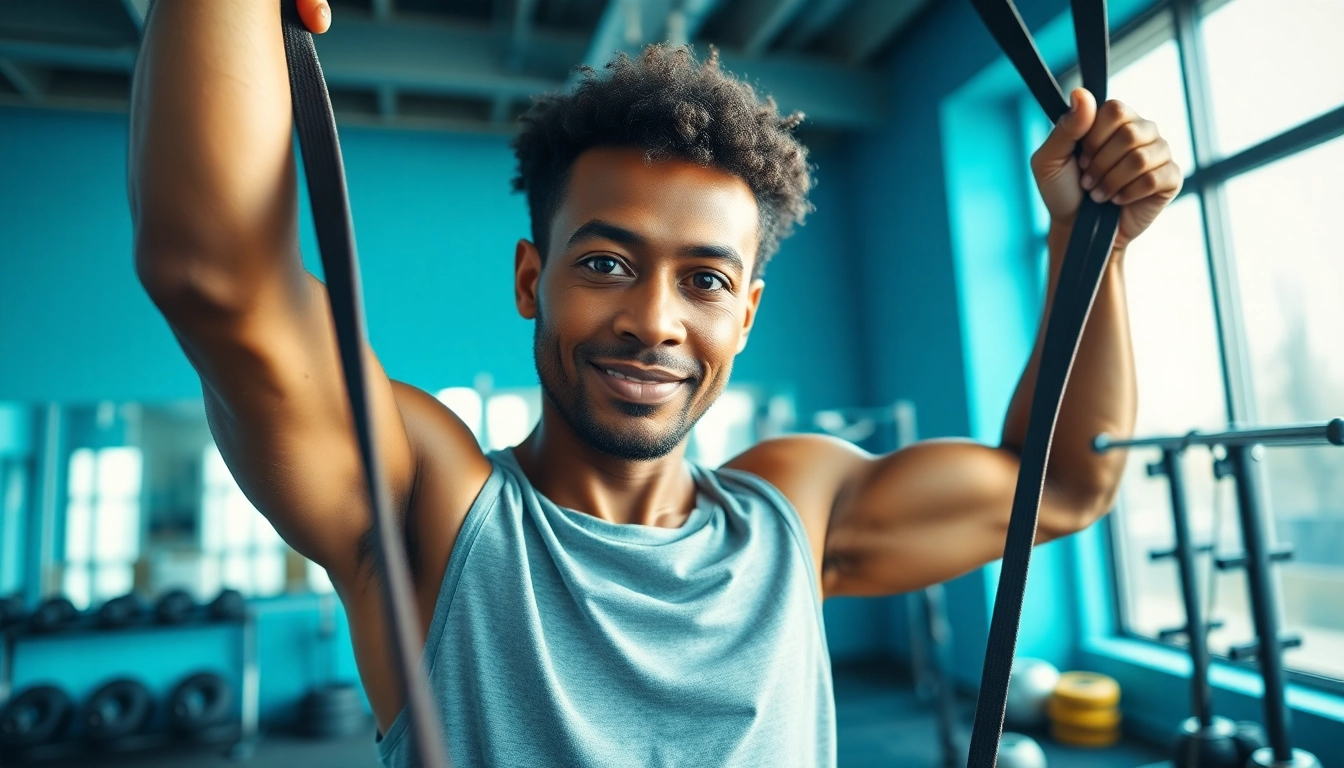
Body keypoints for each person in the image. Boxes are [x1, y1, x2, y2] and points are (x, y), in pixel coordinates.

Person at [128, 1, 1181, 765]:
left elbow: (1063, 486)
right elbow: (214, 274)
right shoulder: (429, 509)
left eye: (705, 280)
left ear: (746, 313)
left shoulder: (797, 512)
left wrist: (1091, 245)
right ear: (533, 279)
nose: (653, 320)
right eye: (605, 263)